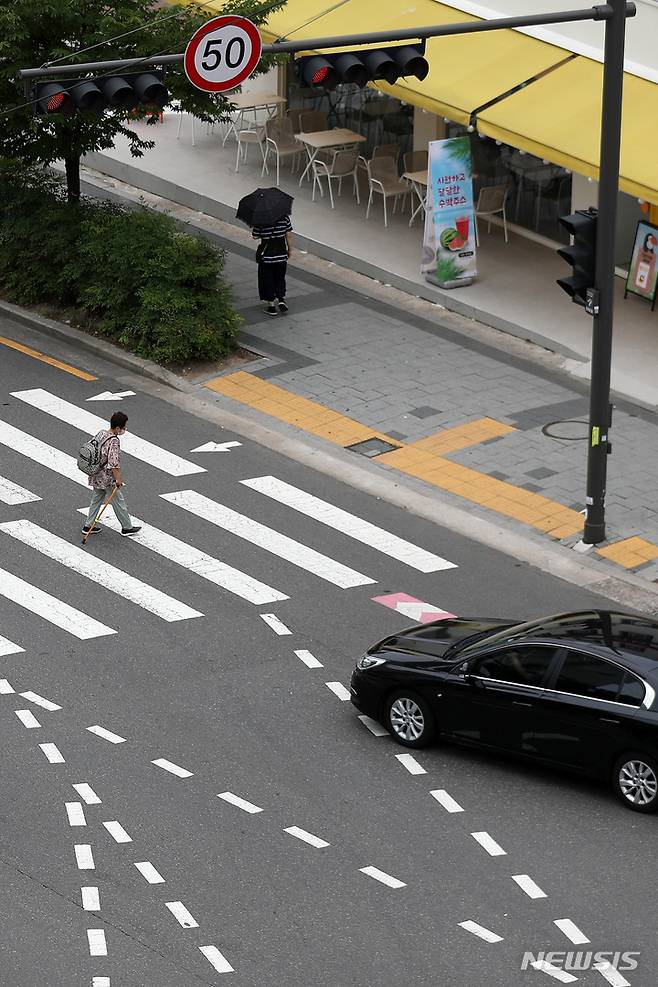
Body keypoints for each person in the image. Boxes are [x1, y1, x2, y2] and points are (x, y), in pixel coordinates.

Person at [82, 411, 141, 537]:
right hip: (106, 478)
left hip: (95, 473)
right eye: (124, 428)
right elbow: (114, 463)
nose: (125, 430)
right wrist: (118, 480)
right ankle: (126, 527)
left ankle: (88, 525)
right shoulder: (114, 441)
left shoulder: (102, 433)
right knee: (118, 500)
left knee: (96, 499)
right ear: (118, 428)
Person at [252, 213, 293, 317]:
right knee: (280, 278)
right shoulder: (284, 218)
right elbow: (289, 235)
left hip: (267, 256)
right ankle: (281, 299)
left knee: (267, 280)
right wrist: (290, 250)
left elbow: (255, 236)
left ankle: (271, 307)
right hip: (281, 254)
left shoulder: (260, 219)